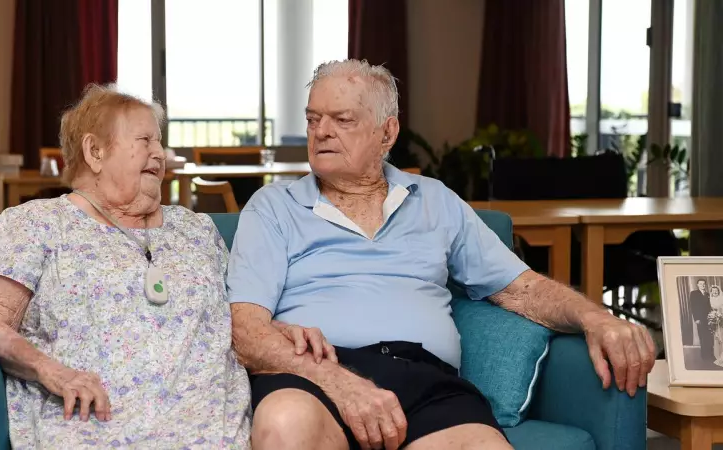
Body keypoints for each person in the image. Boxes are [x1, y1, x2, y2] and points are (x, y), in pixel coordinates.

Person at [226, 59, 656, 450]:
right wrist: (339, 382)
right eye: (313, 118)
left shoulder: (435, 200)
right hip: (314, 376)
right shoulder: (273, 207)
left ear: (387, 133)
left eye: (342, 120)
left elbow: (520, 289)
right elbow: (244, 329)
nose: (321, 132)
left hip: (425, 381)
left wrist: (594, 318)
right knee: (283, 423)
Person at [0, 85, 252, 448]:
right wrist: (53, 372)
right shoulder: (36, 223)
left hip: (206, 424)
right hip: (92, 420)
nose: (159, 153)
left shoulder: (196, 229)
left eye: (160, 142)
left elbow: (244, 319)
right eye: (145, 140)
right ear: (95, 152)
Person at [690, 278, 714, 362]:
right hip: (700, 319)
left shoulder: (708, 294)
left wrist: (713, 316)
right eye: (701, 284)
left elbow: (710, 306)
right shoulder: (694, 294)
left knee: (709, 337)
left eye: (704, 284)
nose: (703, 285)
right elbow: (693, 307)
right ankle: (704, 356)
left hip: (709, 319)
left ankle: (711, 354)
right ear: (698, 285)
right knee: (703, 337)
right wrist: (696, 319)